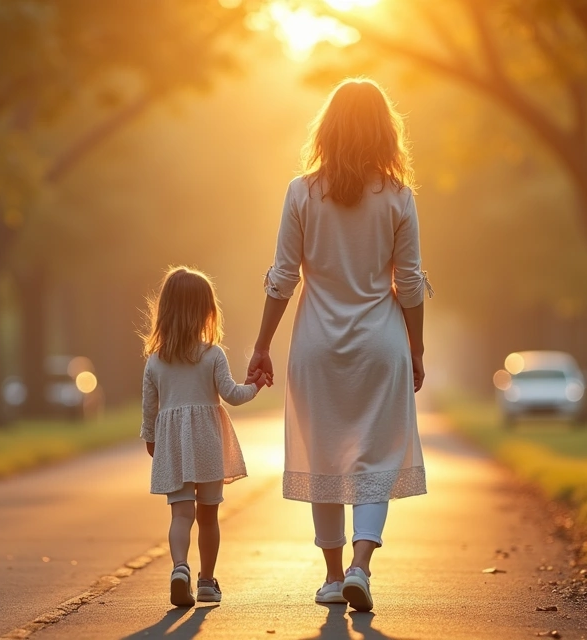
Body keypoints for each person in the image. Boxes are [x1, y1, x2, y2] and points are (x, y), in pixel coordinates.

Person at [247, 78, 431, 612]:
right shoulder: (398, 197)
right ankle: (360, 567)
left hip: (317, 346)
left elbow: (283, 277)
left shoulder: (302, 192)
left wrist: (262, 345)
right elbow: (409, 283)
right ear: (385, 132)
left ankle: (332, 577)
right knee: (375, 455)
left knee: (323, 455)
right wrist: (416, 348)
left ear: (327, 129)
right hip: (380, 345)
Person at [140, 266, 269, 607]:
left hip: (173, 445)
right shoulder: (212, 354)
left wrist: (151, 439)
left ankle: (179, 568)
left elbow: (149, 408)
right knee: (208, 517)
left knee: (181, 515)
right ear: (207, 312)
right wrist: (255, 384)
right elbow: (232, 395)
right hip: (208, 443)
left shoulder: (155, 361)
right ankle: (207, 582)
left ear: (164, 311)